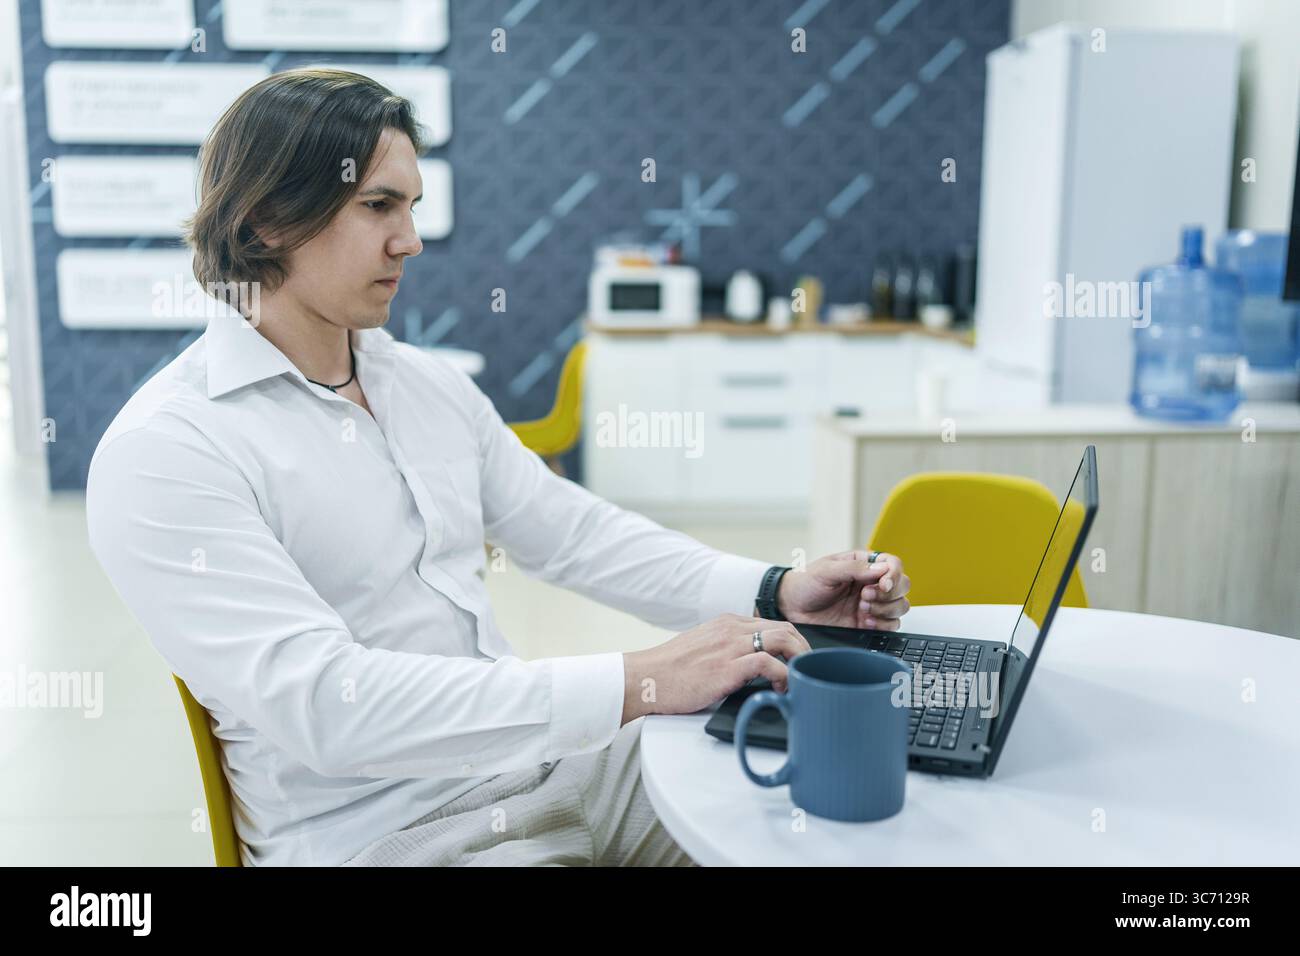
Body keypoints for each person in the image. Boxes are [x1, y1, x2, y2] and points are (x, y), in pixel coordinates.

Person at [85, 69, 912, 866]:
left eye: (409, 207)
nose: (409, 239)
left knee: (841, 802)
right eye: (378, 206)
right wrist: (639, 680)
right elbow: (327, 706)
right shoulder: (167, 452)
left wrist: (770, 589)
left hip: (553, 766)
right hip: (391, 837)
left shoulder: (422, 384)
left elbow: (570, 533)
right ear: (266, 220)